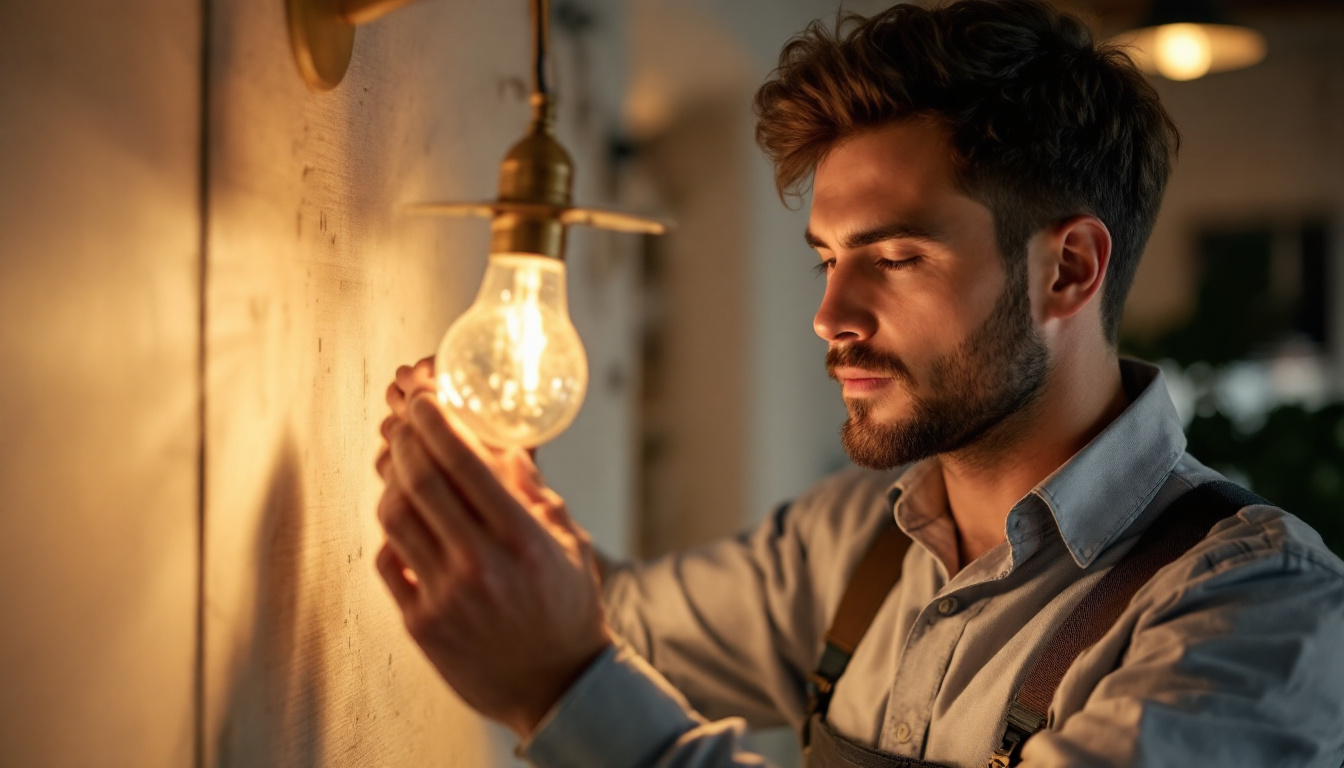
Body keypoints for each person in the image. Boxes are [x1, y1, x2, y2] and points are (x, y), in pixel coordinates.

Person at [372, 1, 1344, 766]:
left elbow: (571, 653)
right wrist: (495, 506)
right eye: (826, 260)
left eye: (895, 257)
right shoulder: (849, 546)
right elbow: (600, 621)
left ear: (1069, 271)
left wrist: (566, 688)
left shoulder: (1255, 610)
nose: (830, 317)